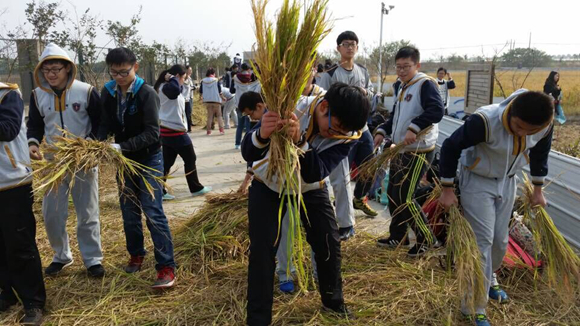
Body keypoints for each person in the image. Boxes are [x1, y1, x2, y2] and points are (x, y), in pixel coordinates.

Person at [242, 82, 369, 325]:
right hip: (268, 184)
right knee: (262, 250)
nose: (338, 133)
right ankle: (258, 319)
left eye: (345, 130)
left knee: (328, 241)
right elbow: (249, 152)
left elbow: (316, 172)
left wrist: (300, 140)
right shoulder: (289, 107)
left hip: (309, 187)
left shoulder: (350, 135)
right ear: (324, 107)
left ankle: (333, 302)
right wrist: (262, 134)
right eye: (337, 126)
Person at [438, 90, 554, 326]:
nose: (523, 133)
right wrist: (447, 189)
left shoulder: (543, 124)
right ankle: (473, 306)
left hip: (508, 181)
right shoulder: (484, 122)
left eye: (529, 131)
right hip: (478, 180)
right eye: (519, 126)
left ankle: (490, 277)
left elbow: (541, 152)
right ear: (511, 111)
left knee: (501, 240)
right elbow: (450, 147)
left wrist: (538, 189)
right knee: (482, 242)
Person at [97, 47, 176, 289]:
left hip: (149, 158)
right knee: (129, 212)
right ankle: (136, 254)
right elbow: (104, 122)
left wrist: (122, 146)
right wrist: (99, 143)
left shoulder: (146, 93)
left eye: (124, 72)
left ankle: (166, 266)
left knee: (153, 211)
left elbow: (153, 133)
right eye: (114, 73)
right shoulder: (108, 92)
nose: (119, 77)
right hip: (124, 161)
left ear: (136, 67)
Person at [27, 43, 105, 278]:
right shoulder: (37, 94)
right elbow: (35, 124)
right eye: (46, 69)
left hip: (83, 159)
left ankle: (92, 259)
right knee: (52, 213)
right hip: (54, 162)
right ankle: (62, 255)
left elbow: (101, 123)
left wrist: (90, 147)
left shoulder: (86, 91)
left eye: (56, 69)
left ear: (68, 69)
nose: (51, 74)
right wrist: (32, 143)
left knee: (87, 211)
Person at [373, 46, 444, 257]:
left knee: (405, 196)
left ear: (417, 65)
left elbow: (437, 111)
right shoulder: (401, 86)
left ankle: (427, 239)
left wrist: (414, 128)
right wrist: (382, 130)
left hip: (419, 150)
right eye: (399, 67)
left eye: (407, 66)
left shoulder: (425, 84)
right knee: (393, 194)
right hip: (400, 149)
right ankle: (398, 236)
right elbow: (396, 114)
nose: (402, 70)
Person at [318, 31, 378, 241]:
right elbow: (322, 102)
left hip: (363, 129)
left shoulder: (363, 71)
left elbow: (372, 93)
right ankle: (346, 224)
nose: (350, 48)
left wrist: (365, 93)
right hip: (341, 132)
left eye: (353, 44)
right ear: (338, 48)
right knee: (341, 179)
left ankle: (359, 197)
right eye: (345, 44)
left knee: (371, 167)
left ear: (357, 48)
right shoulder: (331, 74)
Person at [0, 83, 46, 325]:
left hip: (12, 181)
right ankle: (7, 293)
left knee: (20, 244)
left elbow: (7, 129)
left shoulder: (8, 94)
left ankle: (33, 301)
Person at [154, 64, 212, 201]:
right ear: (178, 76)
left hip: (168, 130)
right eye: (183, 78)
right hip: (175, 131)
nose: (183, 81)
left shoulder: (163, 87)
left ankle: (159, 190)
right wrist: (173, 78)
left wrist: (174, 79)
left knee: (167, 162)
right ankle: (196, 188)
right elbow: (175, 90)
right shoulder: (168, 87)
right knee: (190, 158)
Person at [233, 63, 261, 149]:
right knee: (248, 125)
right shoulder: (253, 79)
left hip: (240, 105)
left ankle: (237, 144)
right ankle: (248, 143)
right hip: (249, 106)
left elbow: (233, 89)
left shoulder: (236, 78)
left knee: (240, 126)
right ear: (249, 69)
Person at [199, 68, 224, 135]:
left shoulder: (203, 81)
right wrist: (223, 98)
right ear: (213, 73)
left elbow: (201, 91)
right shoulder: (216, 80)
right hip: (216, 100)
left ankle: (208, 131)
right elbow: (219, 91)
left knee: (209, 116)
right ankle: (221, 130)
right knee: (219, 116)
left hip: (207, 100)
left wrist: (200, 98)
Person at [183, 65, 194, 132]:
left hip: (189, 97)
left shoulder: (189, 78)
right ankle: (187, 126)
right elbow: (187, 86)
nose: (191, 71)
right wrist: (192, 87)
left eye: (191, 70)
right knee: (186, 113)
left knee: (189, 112)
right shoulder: (183, 78)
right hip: (185, 98)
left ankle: (189, 125)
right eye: (189, 70)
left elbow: (190, 86)